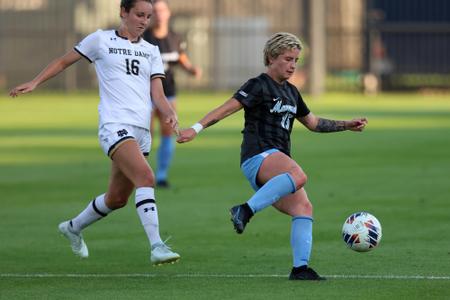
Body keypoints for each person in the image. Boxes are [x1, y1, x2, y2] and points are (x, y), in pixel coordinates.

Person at [177, 32, 368, 280]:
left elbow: (312, 123)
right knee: (298, 175)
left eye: (296, 60)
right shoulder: (257, 85)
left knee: (304, 207)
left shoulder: (292, 92)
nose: (292, 65)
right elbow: (226, 109)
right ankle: (245, 210)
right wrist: (196, 128)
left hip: (276, 164)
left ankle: (300, 269)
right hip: (258, 155)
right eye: (288, 59)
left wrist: (347, 125)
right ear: (271, 57)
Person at [9, 0, 181, 265]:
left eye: (147, 16)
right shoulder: (100, 40)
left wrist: (167, 111)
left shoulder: (151, 50)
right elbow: (64, 61)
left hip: (141, 130)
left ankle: (73, 227)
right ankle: (157, 246)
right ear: (123, 12)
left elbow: (157, 91)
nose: (144, 21)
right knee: (146, 176)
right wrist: (35, 82)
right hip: (114, 126)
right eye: (139, 14)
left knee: (117, 198)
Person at [143, 0, 202, 188]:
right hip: (145, 94)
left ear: (168, 13)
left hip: (168, 92)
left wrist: (192, 70)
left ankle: (161, 175)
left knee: (168, 131)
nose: (159, 14)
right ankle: (140, 173)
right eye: (156, 11)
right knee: (146, 133)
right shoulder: (143, 37)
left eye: (162, 10)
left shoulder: (175, 38)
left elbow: (181, 58)